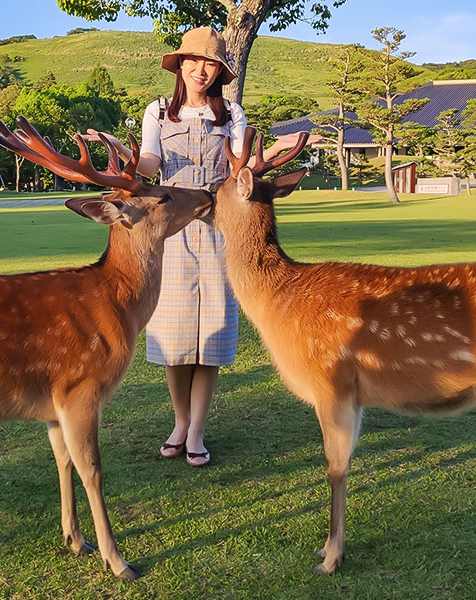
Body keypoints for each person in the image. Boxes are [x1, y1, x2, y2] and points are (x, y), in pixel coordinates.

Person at [84, 27, 313, 467]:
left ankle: (197, 431)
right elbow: (149, 162)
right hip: (166, 231)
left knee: (211, 338)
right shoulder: (157, 111)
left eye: (210, 64)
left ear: (220, 71)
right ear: (180, 65)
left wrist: (269, 152)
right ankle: (180, 422)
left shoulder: (232, 113)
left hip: (217, 230)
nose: (200, 71)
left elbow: (239, 168)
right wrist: (119, 150)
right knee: (173, 338)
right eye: (193, 62)